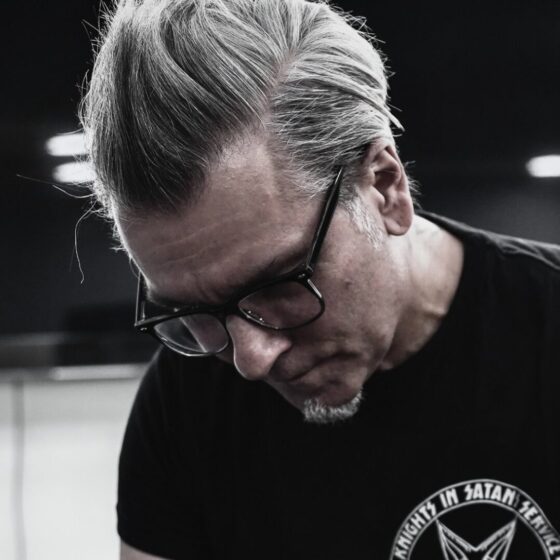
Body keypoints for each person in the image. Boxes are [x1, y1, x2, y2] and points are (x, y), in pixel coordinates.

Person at [80, 0, 560, 558]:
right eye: (191, 312)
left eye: (280, 283)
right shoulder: (184, 404)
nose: (251, 360)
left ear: (385, 187)